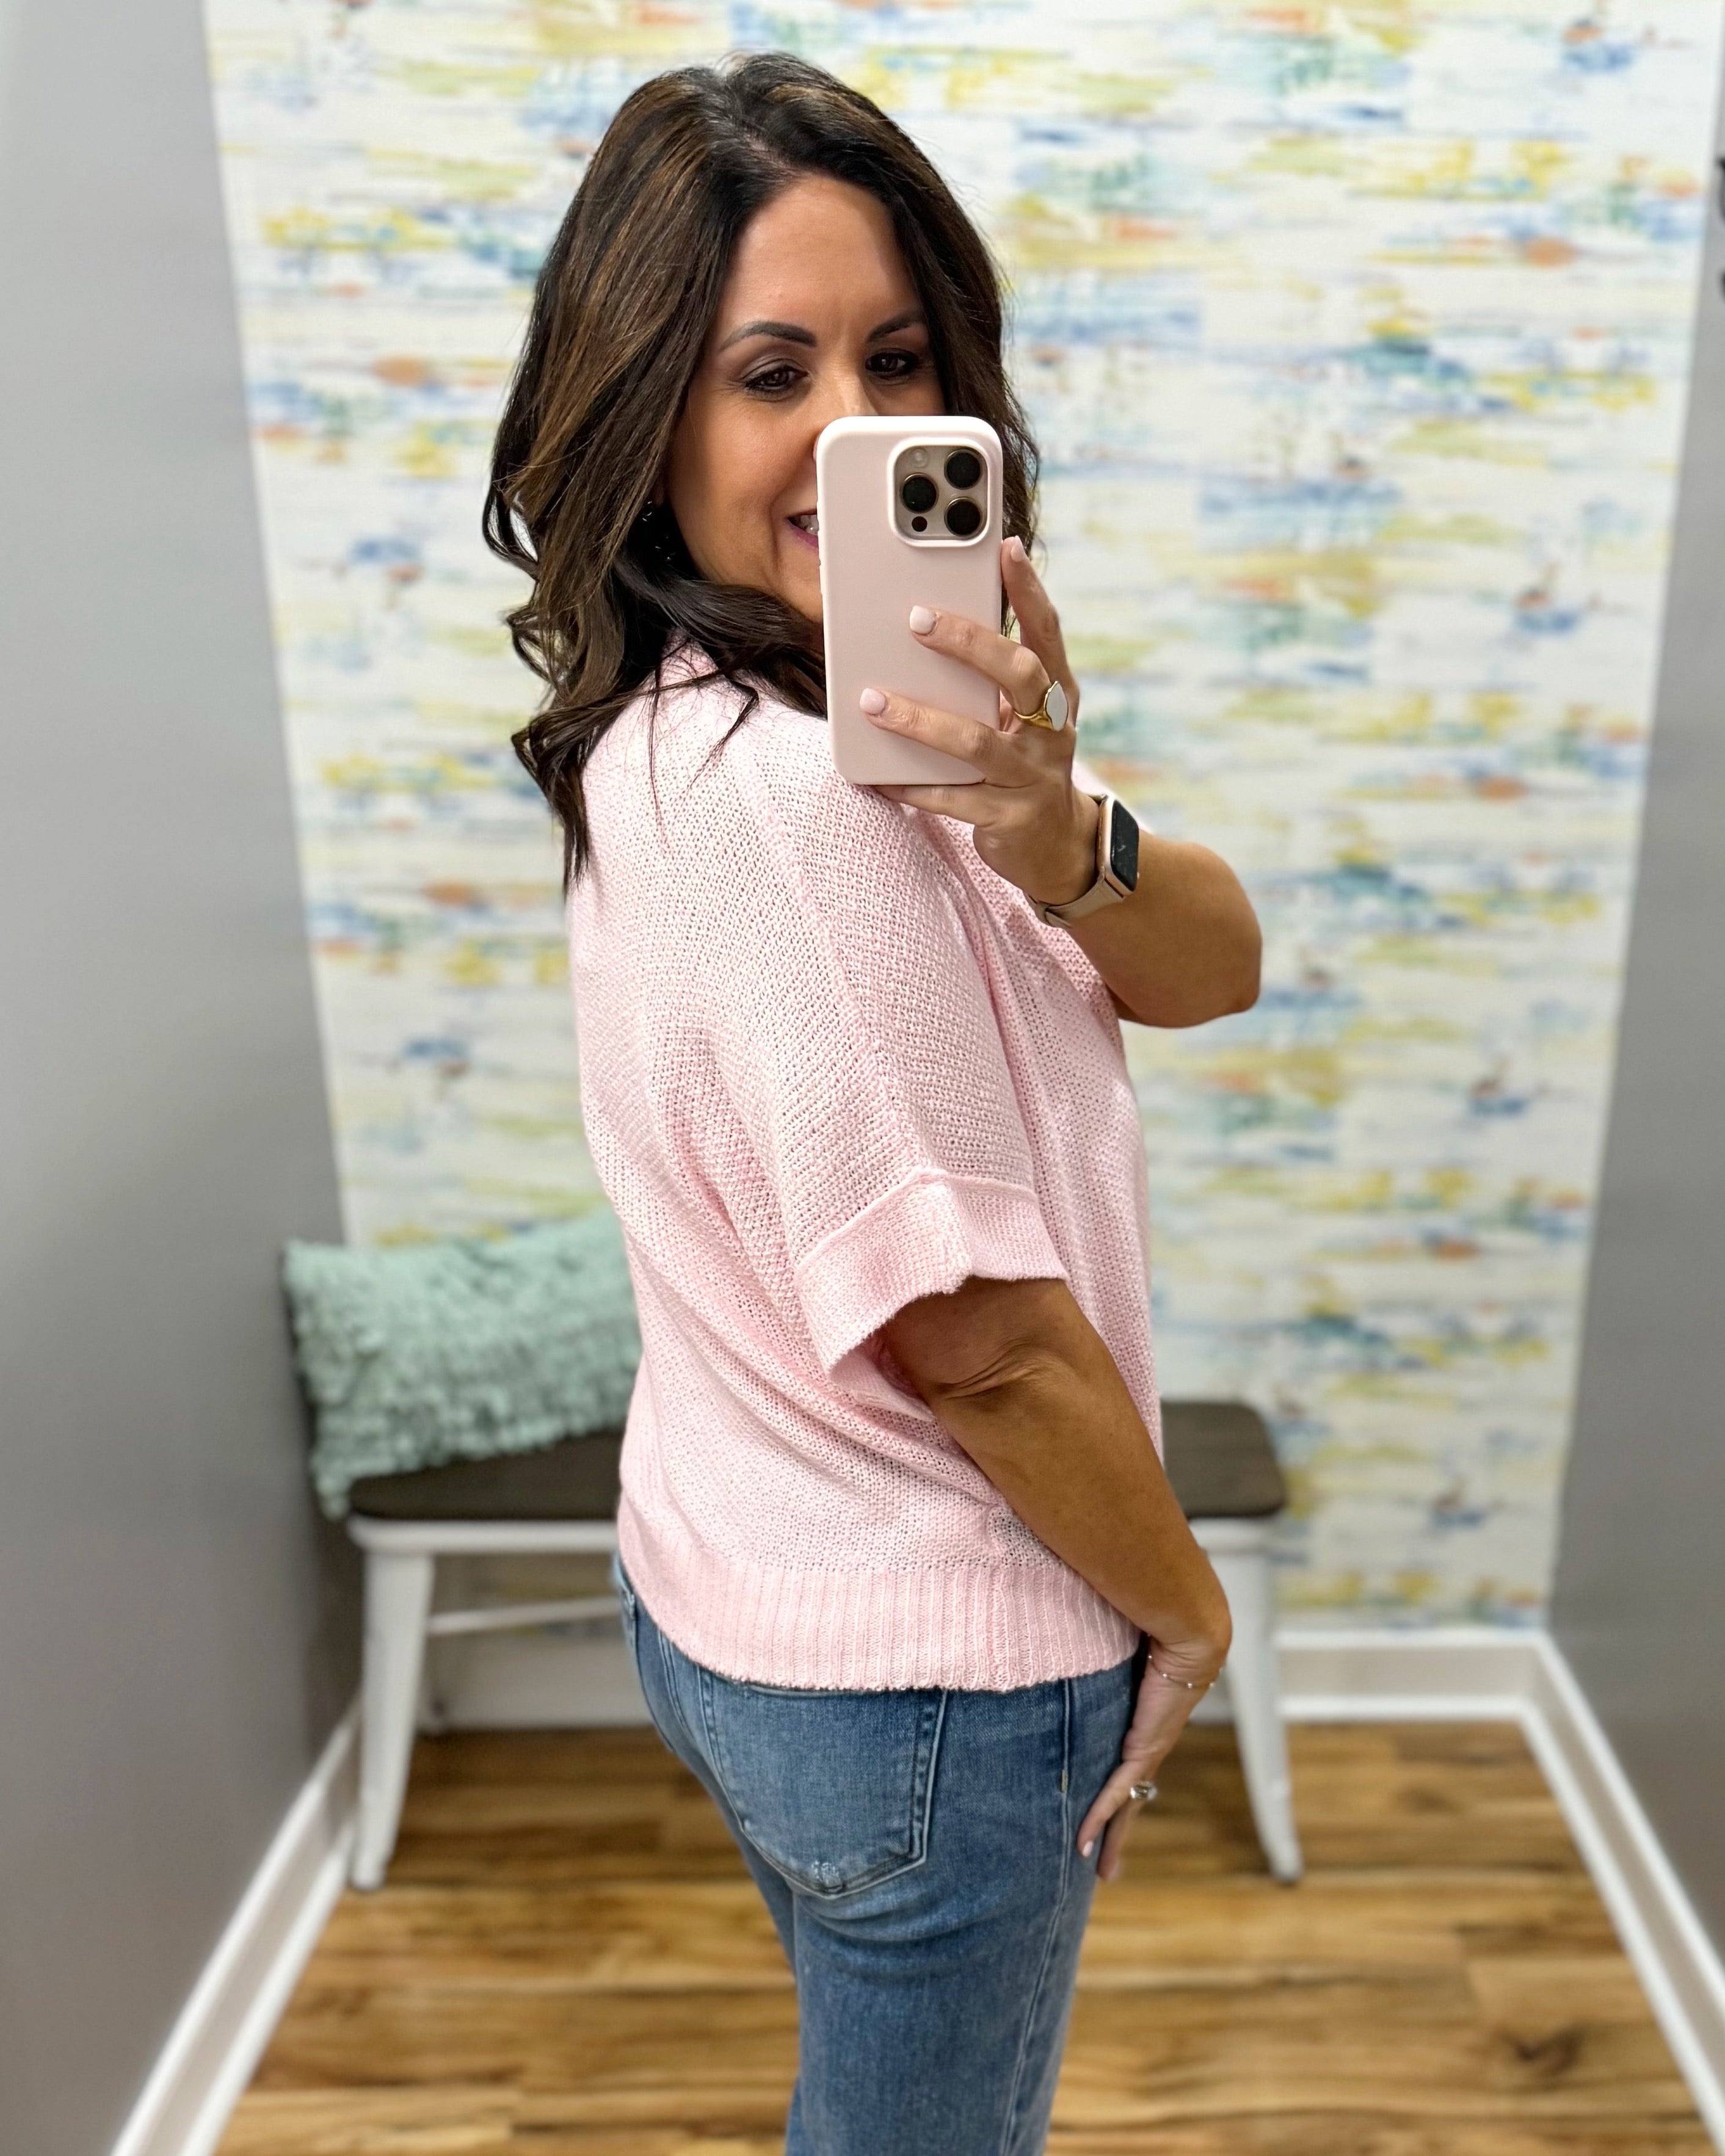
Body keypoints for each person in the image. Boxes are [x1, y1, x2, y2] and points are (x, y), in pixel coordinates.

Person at [485, 51, 1262, 2155]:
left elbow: (1209, 964)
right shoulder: (778, 799)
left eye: (896, 356)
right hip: (929, 1668)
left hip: (750, 1581)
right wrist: (1187, 1609)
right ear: (643, 414)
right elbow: (979, 1338)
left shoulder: (865, 728)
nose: (851, 426)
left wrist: (1039, 816)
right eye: (770, 370)